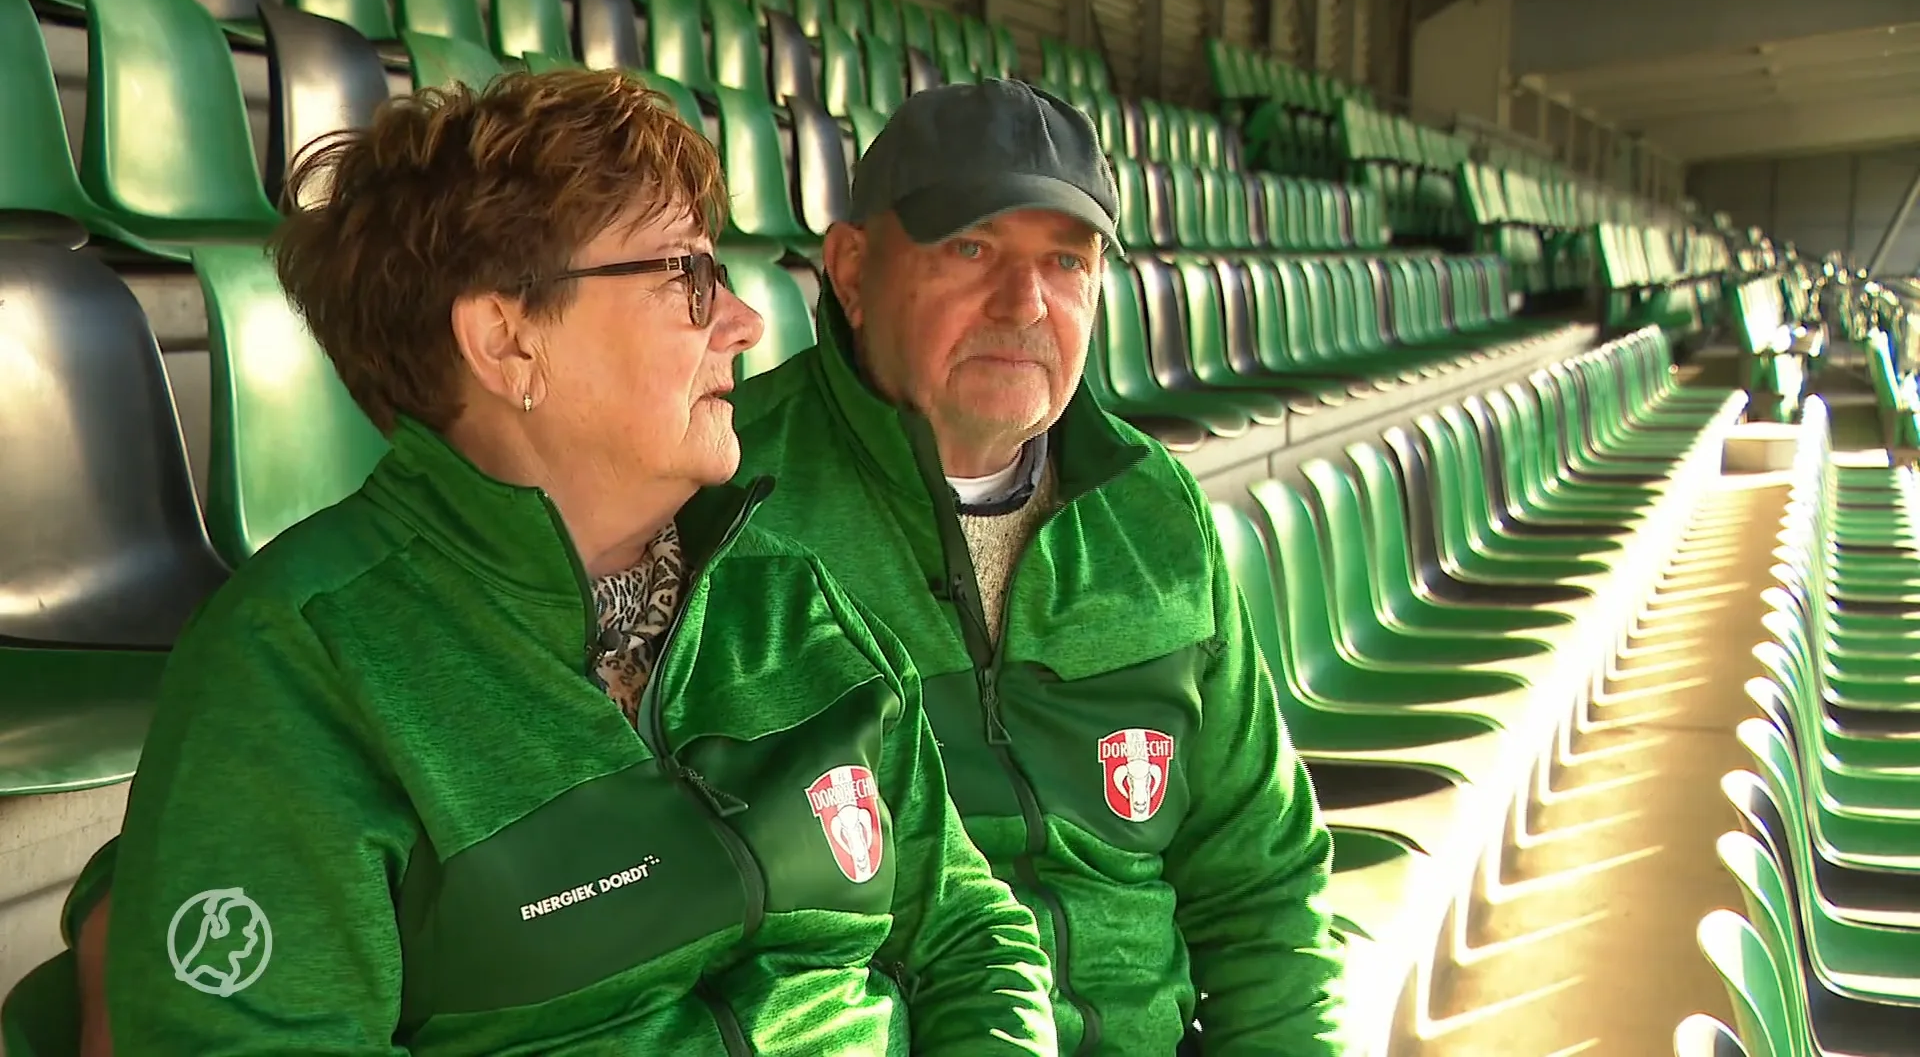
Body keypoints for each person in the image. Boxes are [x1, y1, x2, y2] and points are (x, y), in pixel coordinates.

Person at [54, 69, 1055, 1055]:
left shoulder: (786, 594)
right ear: (507, 342)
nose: (745, 324)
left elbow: (972, 935)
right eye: (687, 277)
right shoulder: (302, 664)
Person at [727, 80, 1343, 1054]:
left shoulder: (1152, 510)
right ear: (850, 271)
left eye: (1067, 261)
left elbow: (1261, 880)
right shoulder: (729, 502)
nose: (1025, 304)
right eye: (971, 249)